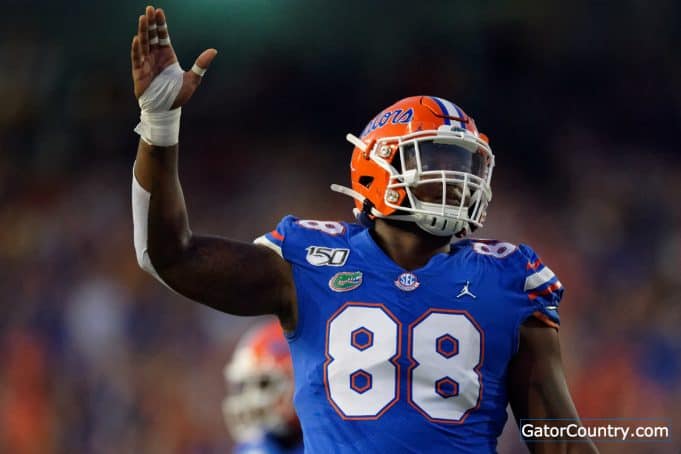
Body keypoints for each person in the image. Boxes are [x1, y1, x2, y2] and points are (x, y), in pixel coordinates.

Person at [130, 6, 598, 453]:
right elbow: (169, 256)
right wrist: (159, 126)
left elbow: (559, 439)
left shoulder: (511, 277)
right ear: (377, 171)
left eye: (466, 165)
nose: (458, 182)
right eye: (436, 161)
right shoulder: (306, 259)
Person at [223, 320, 303, 454]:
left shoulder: (333, 440)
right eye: (244, 386)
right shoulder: (256, 446)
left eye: (264, 384)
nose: (251, 398)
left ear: (297, 380)